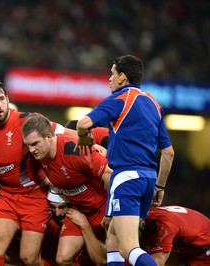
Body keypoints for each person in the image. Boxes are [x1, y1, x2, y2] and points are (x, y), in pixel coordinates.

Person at [76, 55, 175, 266]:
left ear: (122, 77)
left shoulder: (121, 97)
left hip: (127, 177)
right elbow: (168, 153)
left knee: (129, 247)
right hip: (148, 180)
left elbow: (83, 123)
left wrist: (83, 137)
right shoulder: (154, 103)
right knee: (112, 239)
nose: (109, 79)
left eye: (112, 74)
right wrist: (160, 186)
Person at [0, 80, 72, 266]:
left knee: (28, 258)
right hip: (8, 196)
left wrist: (89, 140)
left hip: (34, 196)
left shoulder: (27, 121)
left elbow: (62, 133)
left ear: (7, 99)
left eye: (1, 99)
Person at [21, 115, 112, 265]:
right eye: (28, 145)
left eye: (35, 144)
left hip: (102, 209)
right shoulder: (41, 153)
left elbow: (109, 175)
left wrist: (112, 211)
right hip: (78, 211)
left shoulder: (76, 151)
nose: (31, 150)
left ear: (49, 137)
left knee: (105, 260)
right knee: (62, 259)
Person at [140, 205, 210, 266]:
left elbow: (156, 263)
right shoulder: (150, 216)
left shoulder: (163, 226)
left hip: (204, 248)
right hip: (189, 246)